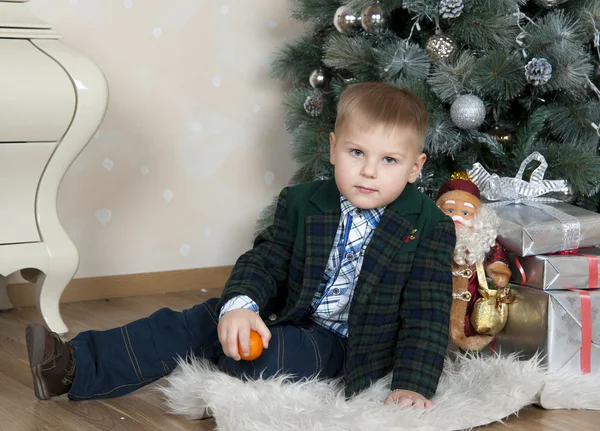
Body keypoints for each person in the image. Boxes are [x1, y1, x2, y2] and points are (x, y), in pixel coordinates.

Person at [26, 82, 456, 409]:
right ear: (332, 148)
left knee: (268, 358)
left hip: (347, 343)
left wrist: (412, 385)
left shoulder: (428, 227)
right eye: (356, 152)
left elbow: (427, 314)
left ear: (415, 168)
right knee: (196, 321)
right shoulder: (303, 202)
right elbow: (266, 260)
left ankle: (226, 361)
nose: (368, 172)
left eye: (389, 161)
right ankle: (75, 364)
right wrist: (241, 307)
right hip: (284, 313)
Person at [435, 174, 511, 351]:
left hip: (472, 302)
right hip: (437, 299)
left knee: (471, 322)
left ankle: (469, 344)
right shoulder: (433, 237)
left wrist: (498, 270)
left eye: (466, 213)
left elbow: (496, 255)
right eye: (450, 211)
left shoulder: (481, 241)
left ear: (478, 218)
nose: (457, 218)